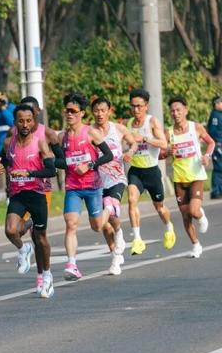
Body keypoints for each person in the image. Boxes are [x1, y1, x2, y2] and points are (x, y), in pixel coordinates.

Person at [0, 103, 56, 297]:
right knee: (10, 230)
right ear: (14, 122)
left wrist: (30, 172)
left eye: (28, 121)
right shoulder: (9, 143)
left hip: (37, 194)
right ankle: (24, 249)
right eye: (20, 121)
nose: (24, 124)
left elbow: (51, 171)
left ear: (33, 122)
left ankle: (47, 277)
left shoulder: (40, 142)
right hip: (18, 194)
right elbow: (6, 160)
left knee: (41, 237)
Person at [55, 91, 115, 281]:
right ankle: (72, 264)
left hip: (92, 186)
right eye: (67, 111)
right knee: (70, 223)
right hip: (73, 186)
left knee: (97, 226)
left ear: (81, 113)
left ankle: (110, 207)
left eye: (73, 111)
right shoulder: (61, 137)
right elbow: (58, 160)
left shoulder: (91, 132)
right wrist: (62, 163)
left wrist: (89, 165)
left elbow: (108, 155)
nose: (69, 114)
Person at [91, 96, 138, 276]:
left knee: (111, 207)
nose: (99, 114)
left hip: (117, 179)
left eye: (103, 110)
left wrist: (130, 151)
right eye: (96, 110)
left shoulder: (118, 129)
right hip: (96, 182)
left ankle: (119, 234)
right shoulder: (89, 132)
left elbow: (133, 142)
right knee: (104, 224)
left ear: (109, 111)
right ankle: (115, 256)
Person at [126, 87, 175, 254]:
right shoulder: (128, 124)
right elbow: (126, 143)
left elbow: (164, 144)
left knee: (160, 207)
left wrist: (145, 138)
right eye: (133, 106)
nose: (136, 109)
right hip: (135, 171)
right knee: (132, 200)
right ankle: (138, 240)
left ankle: (169, 228)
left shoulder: (152, 121)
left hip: (152, 171)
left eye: (139, 106)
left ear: (146, 105)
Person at [165, 94, 215, 258]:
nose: (175, 113)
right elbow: (159, 155)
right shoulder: (169, 133)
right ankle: (196, 244)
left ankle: (201, 216)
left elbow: (211, 142)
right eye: (172, 111)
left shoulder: (196, 128)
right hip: (179, 179)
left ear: (185, 110)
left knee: (194, 210)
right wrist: (167, 152)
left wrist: (207, 156)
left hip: (196, 176)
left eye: (178, 110)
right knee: (185, 216)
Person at [207, 95, 222, 199]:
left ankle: (219, 190)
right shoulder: (215, 116)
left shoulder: (219, 115)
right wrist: (217, 143)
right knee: (218, 168)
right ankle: (215, 191)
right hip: (218, 145)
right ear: (216, 104)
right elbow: (213, 131)